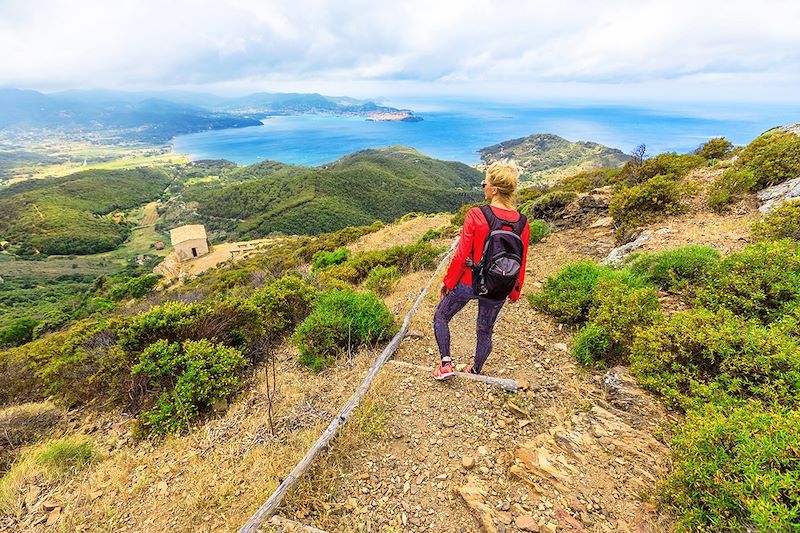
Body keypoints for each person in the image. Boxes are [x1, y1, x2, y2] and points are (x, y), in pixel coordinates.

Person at [433, 161, 530, 380]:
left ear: (494, 189)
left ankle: (446, 364)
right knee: (484, 330)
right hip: (499, 285)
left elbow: (461, 255)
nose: (483, 186)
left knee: (441, 316)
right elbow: (521, 261)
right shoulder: (523, 223)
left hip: (468, 282)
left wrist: (448, 283)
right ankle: (475, 369)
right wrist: (515, 291)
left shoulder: (476, 215)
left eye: (484, 183)